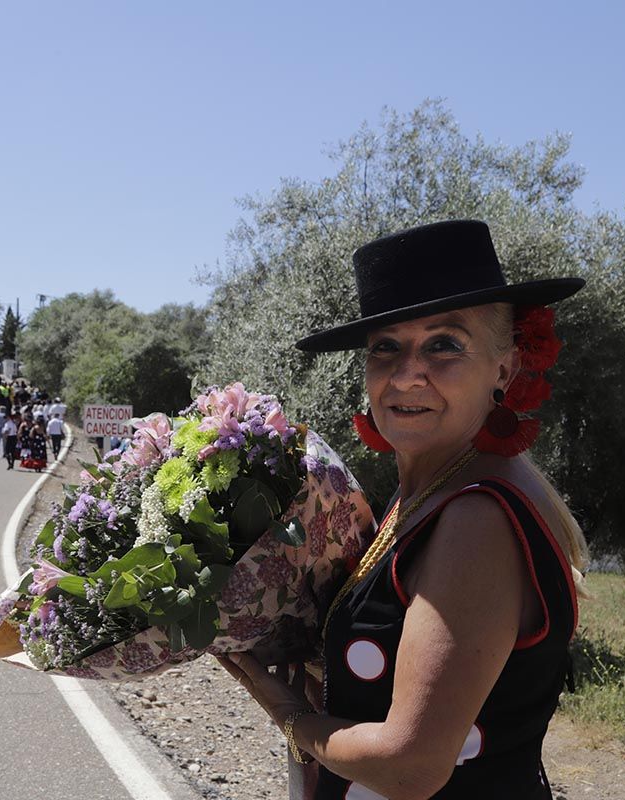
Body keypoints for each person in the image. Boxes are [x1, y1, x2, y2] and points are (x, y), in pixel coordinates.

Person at [219, 220, 590, 799]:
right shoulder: (435, 488)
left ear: (505, 367)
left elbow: (411, 766)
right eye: (385, 347)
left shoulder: (475, 518)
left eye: (445, 343)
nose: (406, 373)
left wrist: (291, 717)